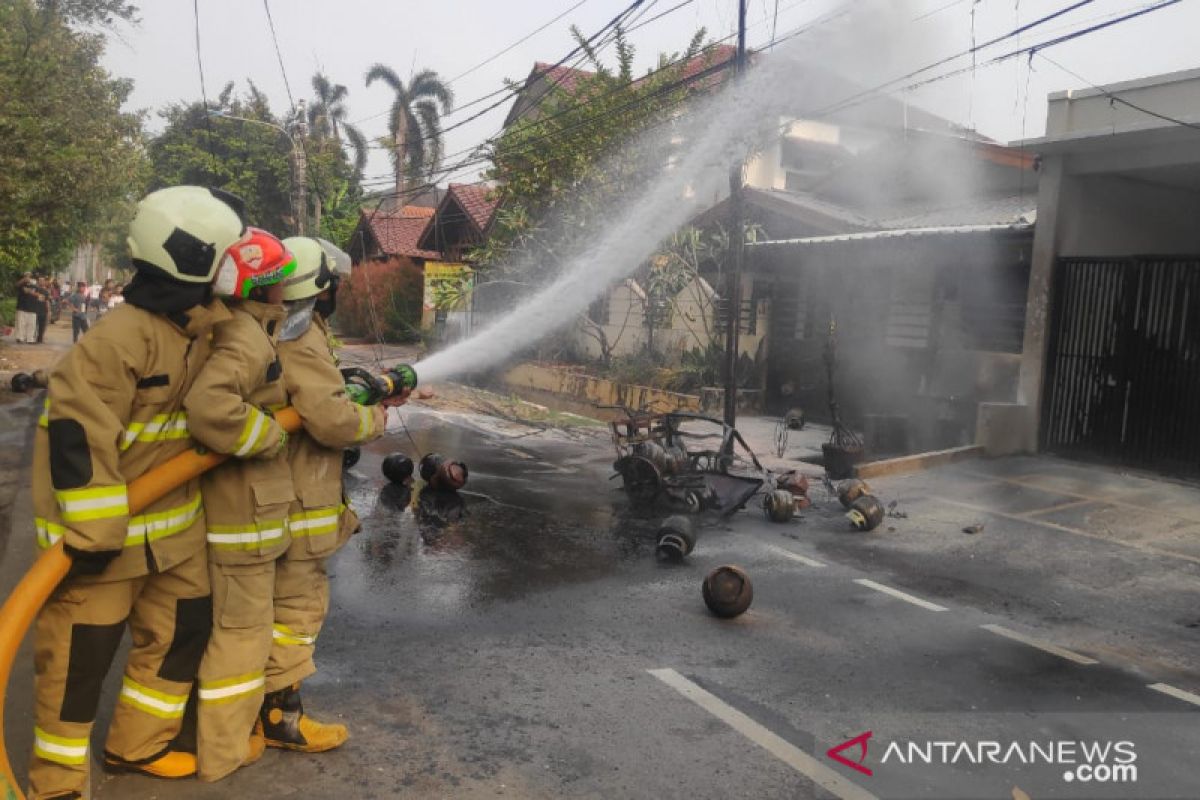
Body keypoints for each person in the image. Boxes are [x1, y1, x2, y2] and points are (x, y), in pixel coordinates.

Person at [27, 186, 246, 799]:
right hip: (101, 544)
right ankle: (57, 782)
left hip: (174, 536)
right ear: (193, 258)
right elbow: (78, 436)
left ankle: (137, 745)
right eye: (227, 254)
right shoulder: (119, 339)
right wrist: (93, 535)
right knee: (79, 665)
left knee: (180, 636)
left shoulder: (204, 330)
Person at [261, 237, 395, 754]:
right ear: (318, 288)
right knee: (296, 611)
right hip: (296, 498)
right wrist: (375, 416)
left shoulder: (275, 325)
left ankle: (258, 710)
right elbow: (333, 420)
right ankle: (281, 718)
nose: (337, 289)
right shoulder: (298, 336)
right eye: (332, 282)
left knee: (264, 611)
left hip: (273, 497)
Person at [183, 228, 298, 783]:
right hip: (242, 516)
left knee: (235, 629)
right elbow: (210, 408)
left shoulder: (239, 328)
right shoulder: (244, 338)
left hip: (240, 512)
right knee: (241, 634)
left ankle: (226, 736)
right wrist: (272, 435)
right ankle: (223, 751)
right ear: (266, 285)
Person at [14, 272, 39, 343]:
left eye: (29, 276)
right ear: (24, 277)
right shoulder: (21, 284)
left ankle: (30, 339)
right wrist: (23, 280)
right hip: (22, 307)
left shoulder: (34, 284)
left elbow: (38, 292)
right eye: (26, 276)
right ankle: (20, 338)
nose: (27, 277)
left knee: (31, 325)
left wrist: (32, 286)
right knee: (21, 324)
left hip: (32, 308)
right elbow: (16, 285)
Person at [34, 275, 50, 343]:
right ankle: (32, 338)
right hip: (35, 310)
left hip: (43, 311)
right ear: (38, 281)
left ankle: (40, 338)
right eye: (40, 280)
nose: (41, 282)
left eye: (43, 281)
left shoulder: (46, 291)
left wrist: (48, 311)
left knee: (42, 326)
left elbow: (47, 301)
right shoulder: (34, 289)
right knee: (34, 326)